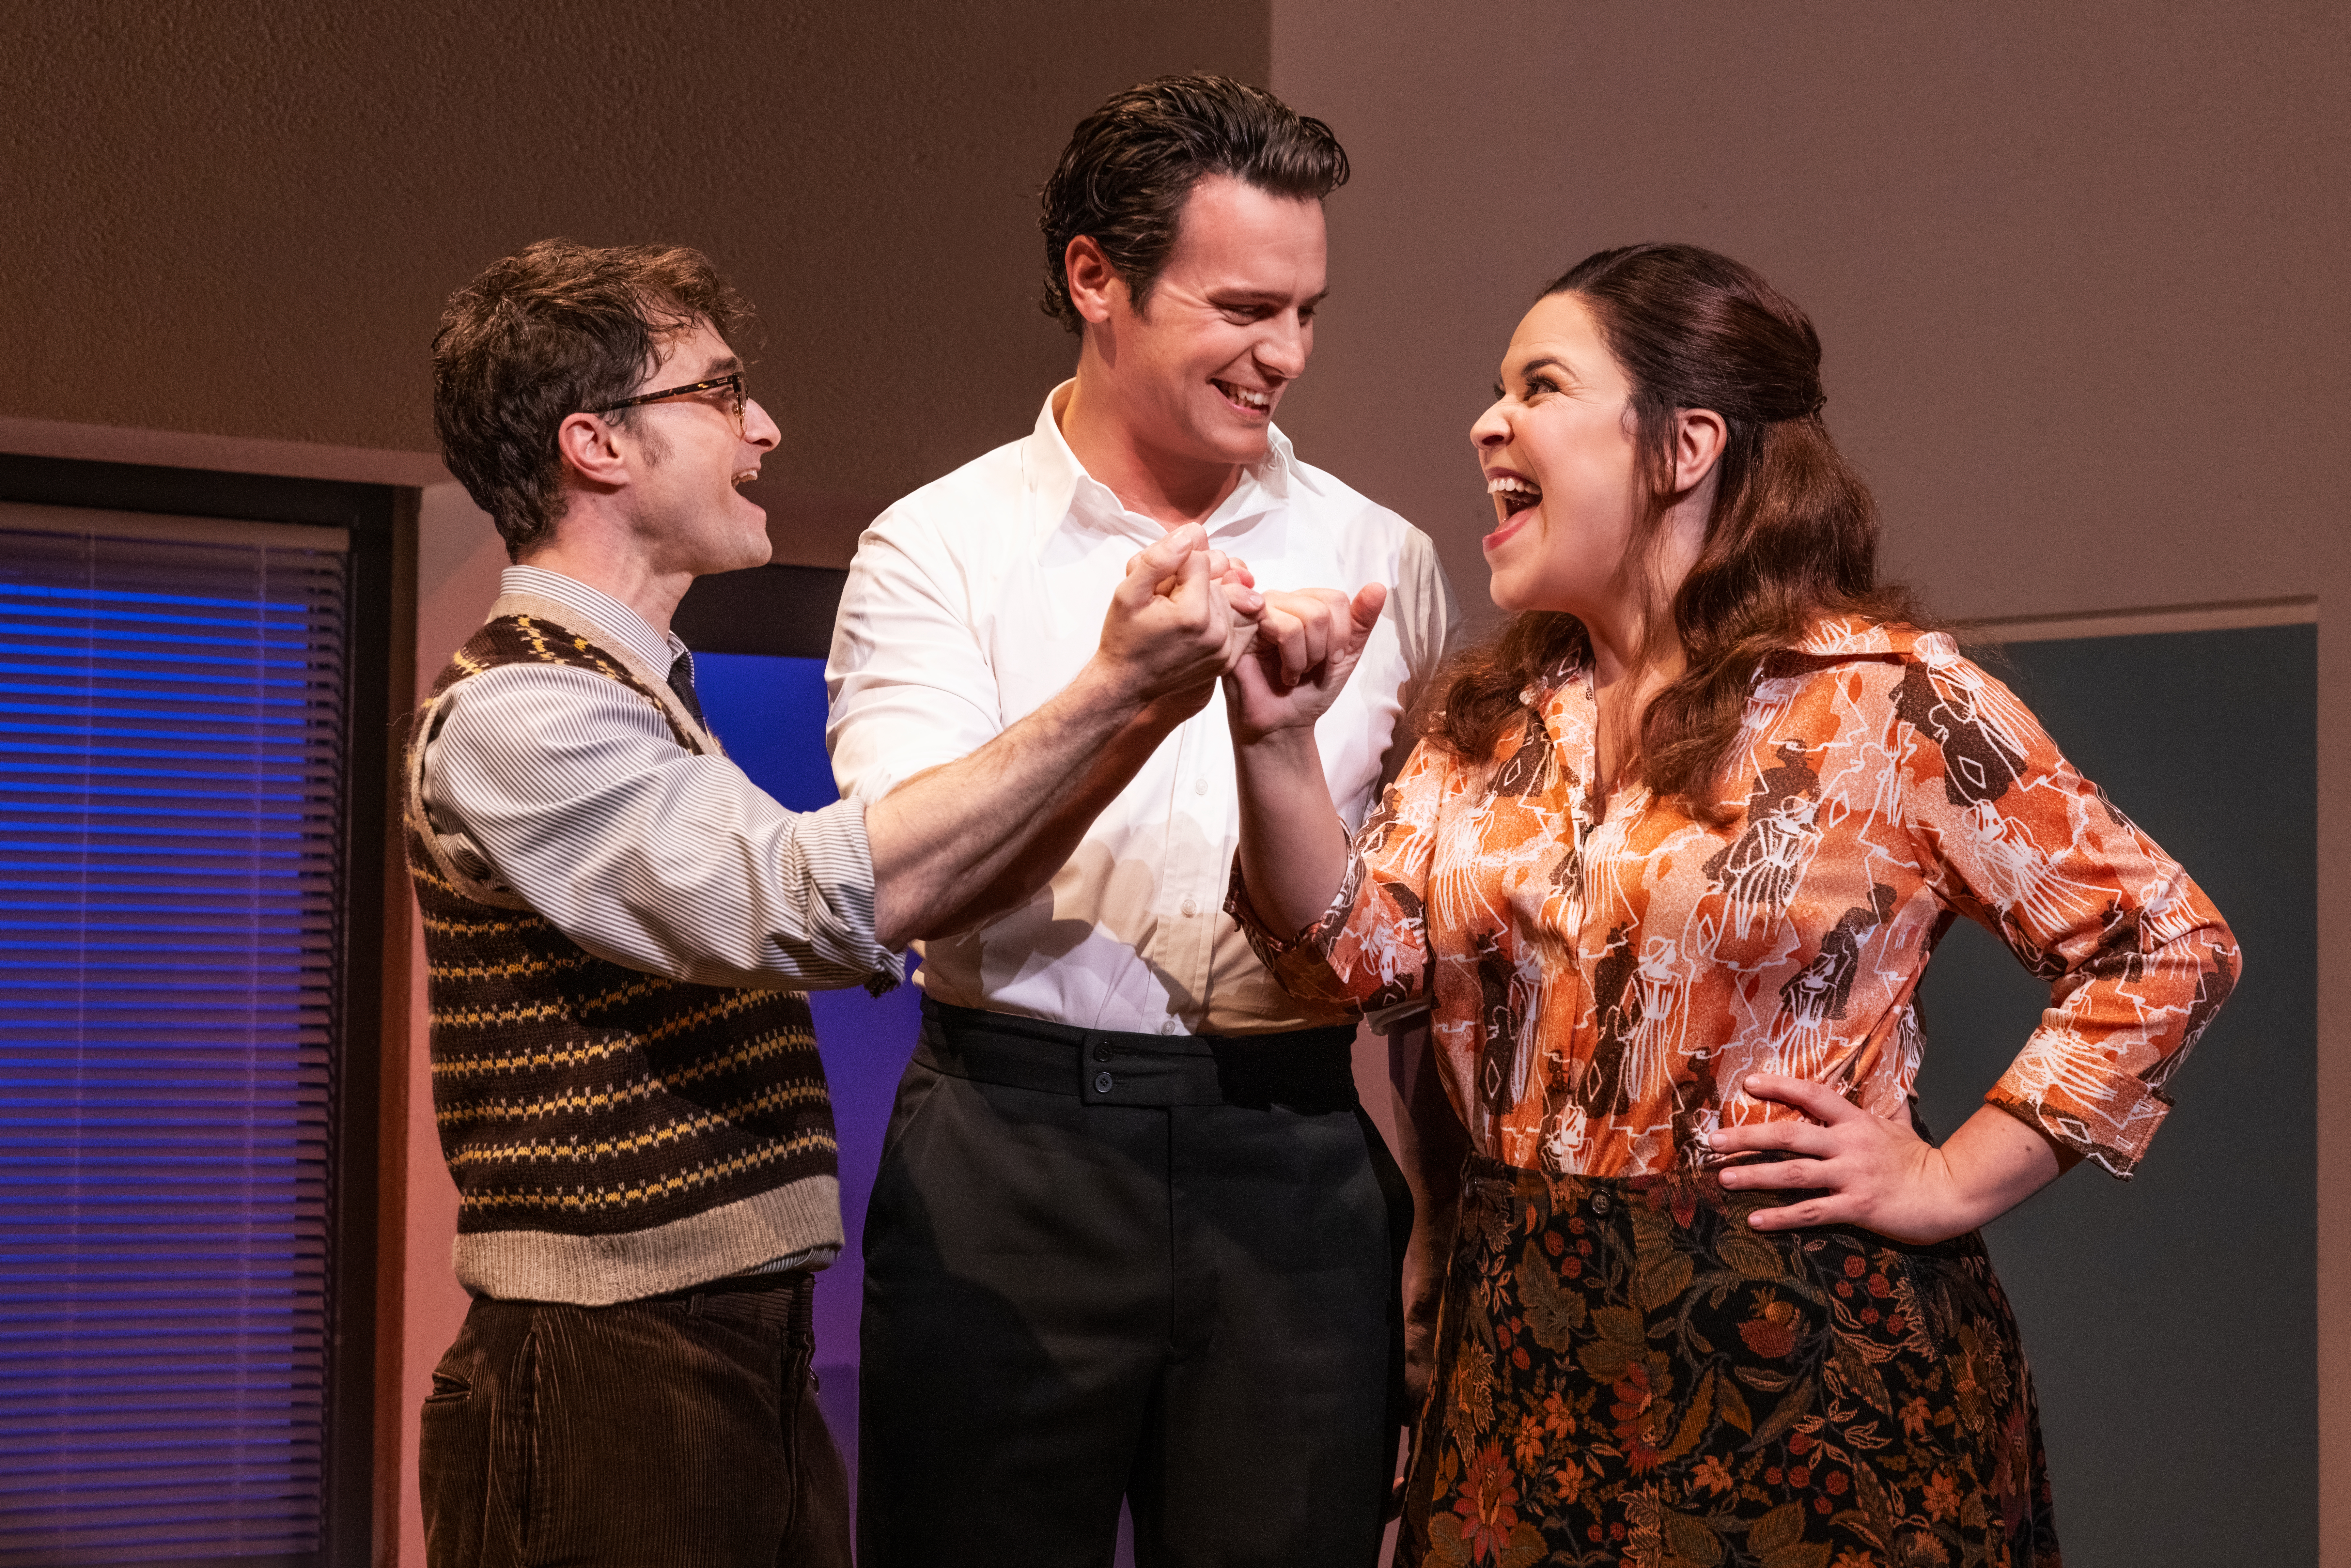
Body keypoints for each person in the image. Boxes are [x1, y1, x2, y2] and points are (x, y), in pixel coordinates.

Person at [1222, 242, 2239, 1566]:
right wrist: (1270, 745)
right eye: (1495, 388)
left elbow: (2163, 941)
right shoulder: (1491, 721)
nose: (1488, 421)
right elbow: (1354, 969)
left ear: (1684, 442)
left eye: (1539, 385)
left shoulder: (1883, 698)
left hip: (1803, 1361)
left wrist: (1947, 1180)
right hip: (1525, 1348)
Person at [410, 239, 1262, 1568]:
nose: (764, 426)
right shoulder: (523, 712)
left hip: (720, 1339)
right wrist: (1109, 686)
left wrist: (1152, 699)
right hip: (607, 1366)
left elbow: (898, 894)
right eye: (719, 390)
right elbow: (802, 899)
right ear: (597, 444)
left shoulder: (629, 694)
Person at [827, 76, 1459, 1564]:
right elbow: (899, 876)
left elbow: (1431, 931)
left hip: (1298, 1149)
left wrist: (1442, 1205)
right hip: (1012, 1142)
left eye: (1308, 311)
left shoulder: (1382, 555)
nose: (1285, 355)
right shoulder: (942, 544)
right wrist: (1127, 691)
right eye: (1243, 307)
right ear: (1093, 280)